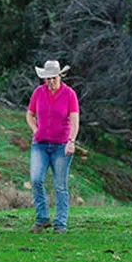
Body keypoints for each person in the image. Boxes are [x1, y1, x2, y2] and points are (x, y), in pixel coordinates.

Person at [26, 60, 80, 234]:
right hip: (40, 144)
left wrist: (71, 141)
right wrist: (35, 129)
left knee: (60, 186)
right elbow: (30, 114)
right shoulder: (38, 93)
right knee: (36, 180)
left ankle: (60, 223)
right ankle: (42, 217)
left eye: (53, 78)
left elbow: (74, 120)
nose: (50, 81)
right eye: (46, 78)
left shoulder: (69, 94)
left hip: (61, 145)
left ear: (60, 76)